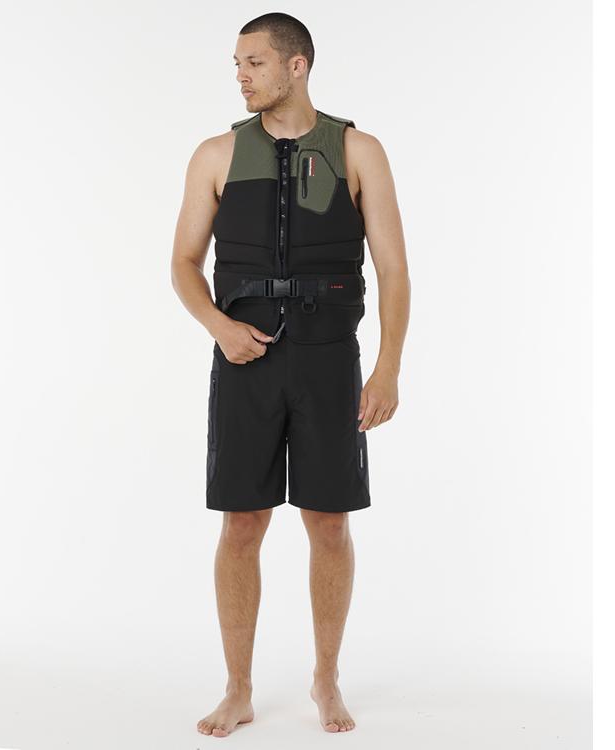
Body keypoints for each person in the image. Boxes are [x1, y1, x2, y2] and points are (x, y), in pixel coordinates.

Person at [171, 12, 410, 737]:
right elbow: (183, 264)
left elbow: (394, 270)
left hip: (329, 360)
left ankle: (325, 679)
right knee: (241, 523)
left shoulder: (358, 150)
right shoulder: (216, 154)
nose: (240, 75)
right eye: (236, 64)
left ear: (295, 65)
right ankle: (238, 688)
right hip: (244, 361)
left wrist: (388, 368)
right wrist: (219, 327)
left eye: (254, 62)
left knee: (329, 523)